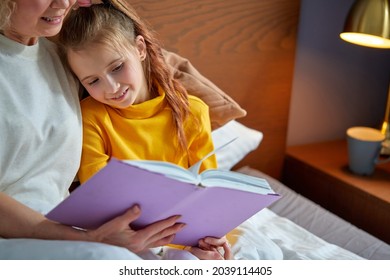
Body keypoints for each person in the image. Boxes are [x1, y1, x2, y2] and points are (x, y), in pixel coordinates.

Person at [0, 0, 196, 260]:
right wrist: (88, 238)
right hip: (22, 234)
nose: (63, 3)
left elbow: (130, 58)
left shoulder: (63, 56)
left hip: (67, 227)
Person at [57, 2, 233, 259]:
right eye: (93, 80)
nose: (112, 87)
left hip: (184, 234)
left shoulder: (192, 111)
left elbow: (210, 191)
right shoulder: (91, 116)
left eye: (117, 67)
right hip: (127, 235)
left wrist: (208, 240)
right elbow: (99, 195)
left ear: (140, 49)